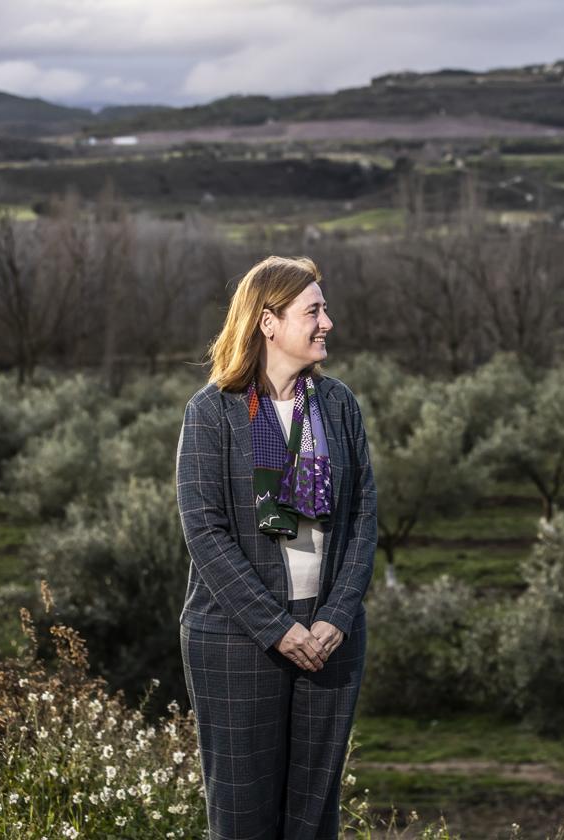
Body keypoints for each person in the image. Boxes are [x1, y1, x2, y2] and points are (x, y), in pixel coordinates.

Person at [176, 255, 376, 839]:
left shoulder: (337, 405)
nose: (328, 323)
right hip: (237, 641)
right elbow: (205, 533)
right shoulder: (212, 412)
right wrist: (277, 628)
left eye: (325, 309)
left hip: (329, 639)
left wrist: (335, 617)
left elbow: (363, 515)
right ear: (268, 321)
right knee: (243, 820)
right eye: (314, 310)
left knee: (314, 820)